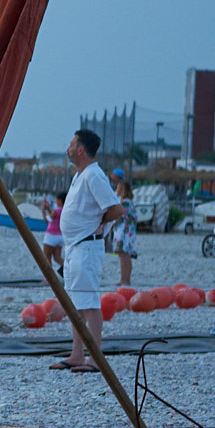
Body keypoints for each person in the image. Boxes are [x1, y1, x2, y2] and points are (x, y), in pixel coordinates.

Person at [51, 129, 122, 373]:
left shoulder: (94, 175)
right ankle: (77, 354)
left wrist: (98, 224)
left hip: (87, 246)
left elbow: (116, 209)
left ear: (80, 150)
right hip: (75, 247)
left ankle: (95, 357)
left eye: (71, 144)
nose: (68, 148)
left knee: (89, 302)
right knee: (76, 302)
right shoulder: (80, 175)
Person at [108, 170, 137, 287]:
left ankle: (124, 280)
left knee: (123, 256)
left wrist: (109, 226)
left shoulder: (124, 203)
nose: (116, 190)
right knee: (126, 256)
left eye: (118, 188)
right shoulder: (129, 202)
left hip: (123, 232)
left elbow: (118, 218)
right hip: (128, 232)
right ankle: (125, 279)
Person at [40, 191, 64, 270]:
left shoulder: (57, 210)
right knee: (57, 258)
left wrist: (43, 210)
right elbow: (54, 217)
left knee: (46, 257)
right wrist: (49, 209)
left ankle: (49, 276)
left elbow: (46, 219)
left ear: (60, 201)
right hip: (60, 236)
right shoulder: (64, 210)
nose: (55, 202)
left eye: (56, 200)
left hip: (51, 235)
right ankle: (68, 272)